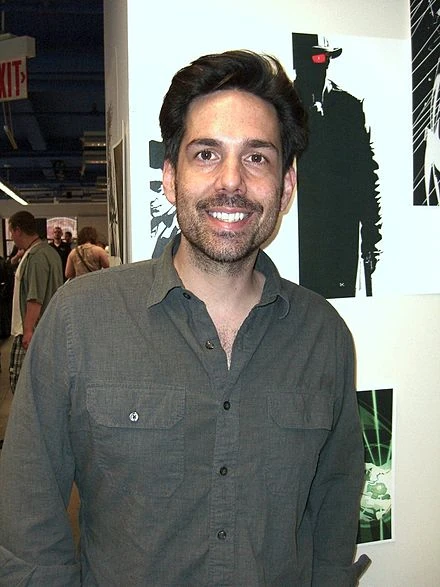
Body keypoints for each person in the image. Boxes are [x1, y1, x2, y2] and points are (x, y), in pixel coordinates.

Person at [0, 50, 369, 585]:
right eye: (206, 154)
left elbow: (335, 510)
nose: (231, 181)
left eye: (257, 157)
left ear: (286, 185)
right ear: (171, 178)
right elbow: (28, 523)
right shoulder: (80, 321)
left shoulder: (324, 336)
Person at [292, 33, 381, 298]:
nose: (321, 64)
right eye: (314, 57)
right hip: (302, 230)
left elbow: (366, 174)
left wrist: (371, 234)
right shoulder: (283, 105)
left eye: (325, 58)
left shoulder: (348, 106)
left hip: (342, 230)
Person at [5, 211, 63, 393]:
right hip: (45, 329)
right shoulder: (48, 252)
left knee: (22, 388)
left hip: (32, 331)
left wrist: (28, 331)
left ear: (18, 230)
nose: (11, 237)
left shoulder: (36, 256)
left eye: (11, 232)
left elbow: (35, 297)